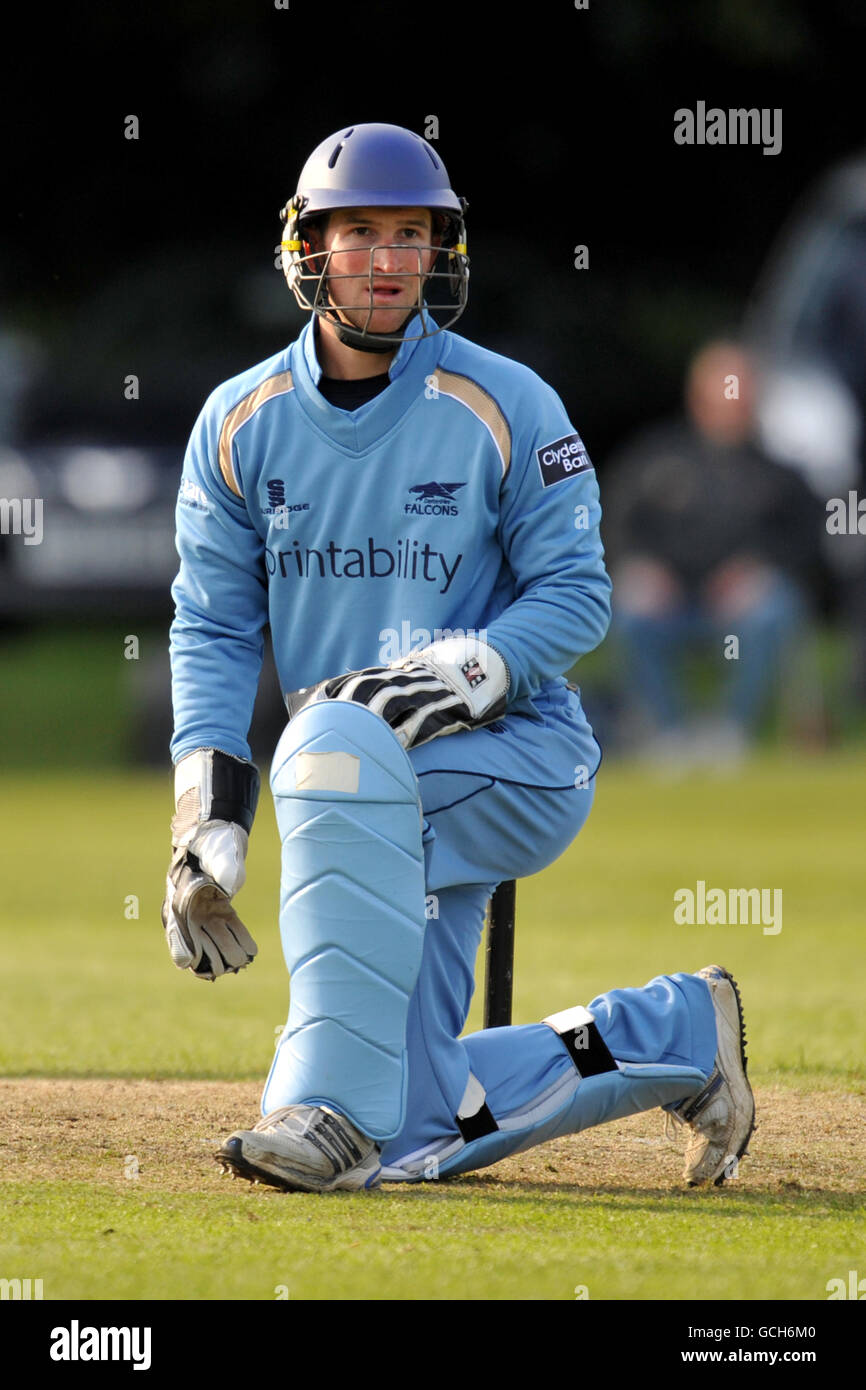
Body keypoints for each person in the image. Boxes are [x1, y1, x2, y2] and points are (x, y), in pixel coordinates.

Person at [161, 123, 755, 1193]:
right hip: (348, 785)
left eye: (410, 234)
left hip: (514, 754)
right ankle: (674, 1030)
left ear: (441, 251)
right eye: (358, 234)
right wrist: (205, 818)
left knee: (336, 767)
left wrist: (452, 678)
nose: (386, 260)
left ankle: (323, 1107)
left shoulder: (507, 402)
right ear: (308, 249)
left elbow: (576, 596)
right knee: (418, 1123)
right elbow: (209, 625)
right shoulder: (238, 422)